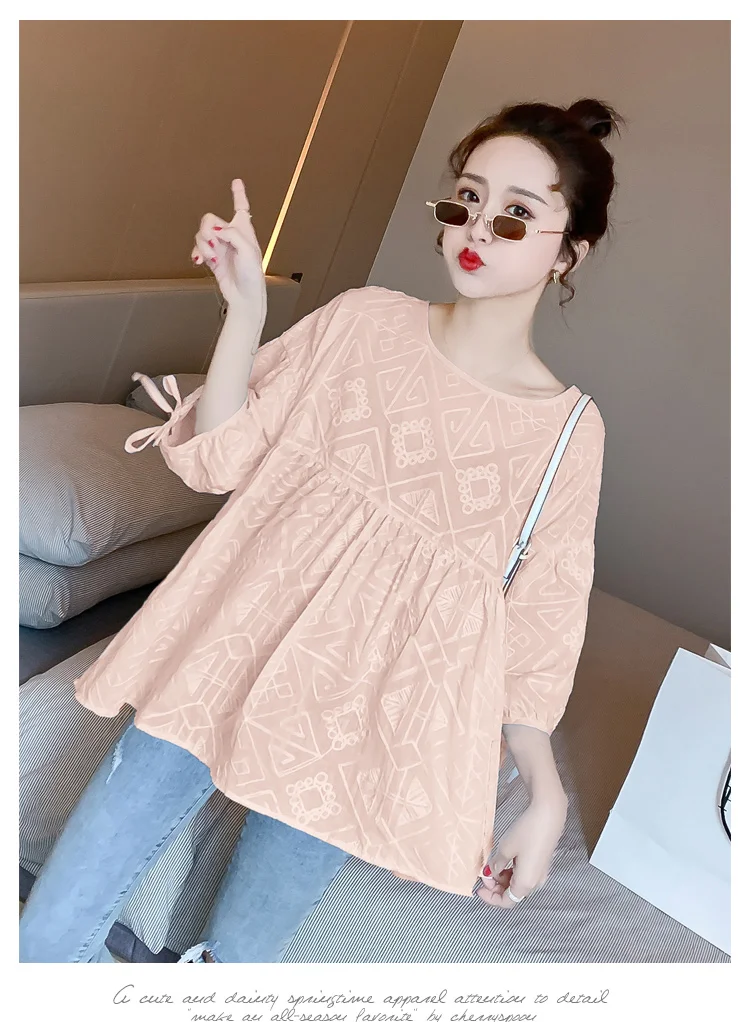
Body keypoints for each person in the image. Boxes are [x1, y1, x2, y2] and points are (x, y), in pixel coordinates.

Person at [19, 96, 620, 963]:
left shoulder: (567, 432)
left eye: (517, 214)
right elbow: (220, 457)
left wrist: (544, 791)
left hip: (367, 715)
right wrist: (244, 314)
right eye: (467, 198)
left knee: (241, 965)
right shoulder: (363, 322)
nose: (477, 228)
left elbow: (542, 625)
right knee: (49, 931)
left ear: (570, 252)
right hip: (226, 647)